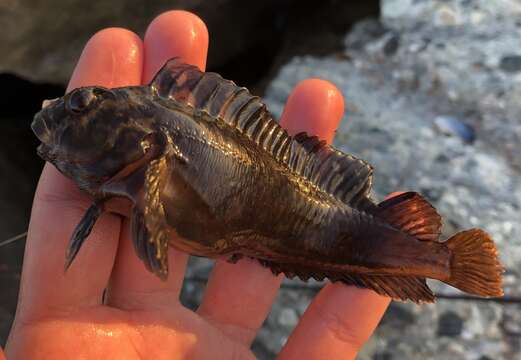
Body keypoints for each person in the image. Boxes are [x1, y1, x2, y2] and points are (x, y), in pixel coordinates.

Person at [3, 10, 391, 359]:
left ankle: (421, 257)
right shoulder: (142, 149)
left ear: (143, 139)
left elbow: (149, 221)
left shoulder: (153, 144)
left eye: (81, 106)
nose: (60, 112)